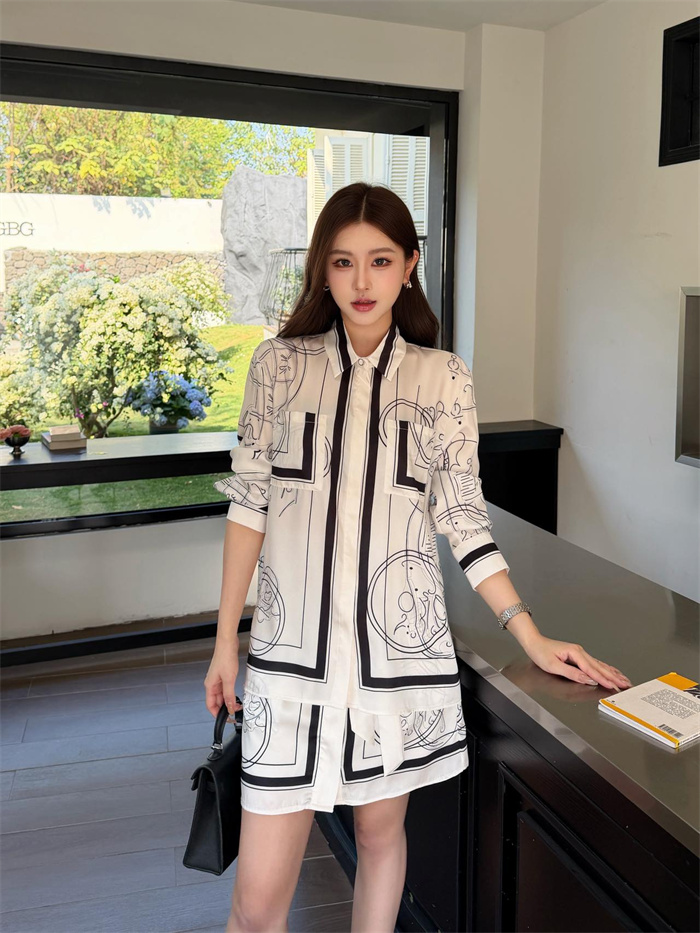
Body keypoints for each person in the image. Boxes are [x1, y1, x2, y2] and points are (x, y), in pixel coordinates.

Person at [204, 182, 632, 933]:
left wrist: (530, 635)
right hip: (289, 661)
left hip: (396, 663)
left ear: (409, 266)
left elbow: (462, 518)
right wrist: (223, 643)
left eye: (379, 260)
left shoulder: (444, 378)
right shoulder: (278, 366)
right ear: (322, 270)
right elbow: (250, 508)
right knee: (257, 902)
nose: (361, 281)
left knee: (380, 837)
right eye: (343, 261)